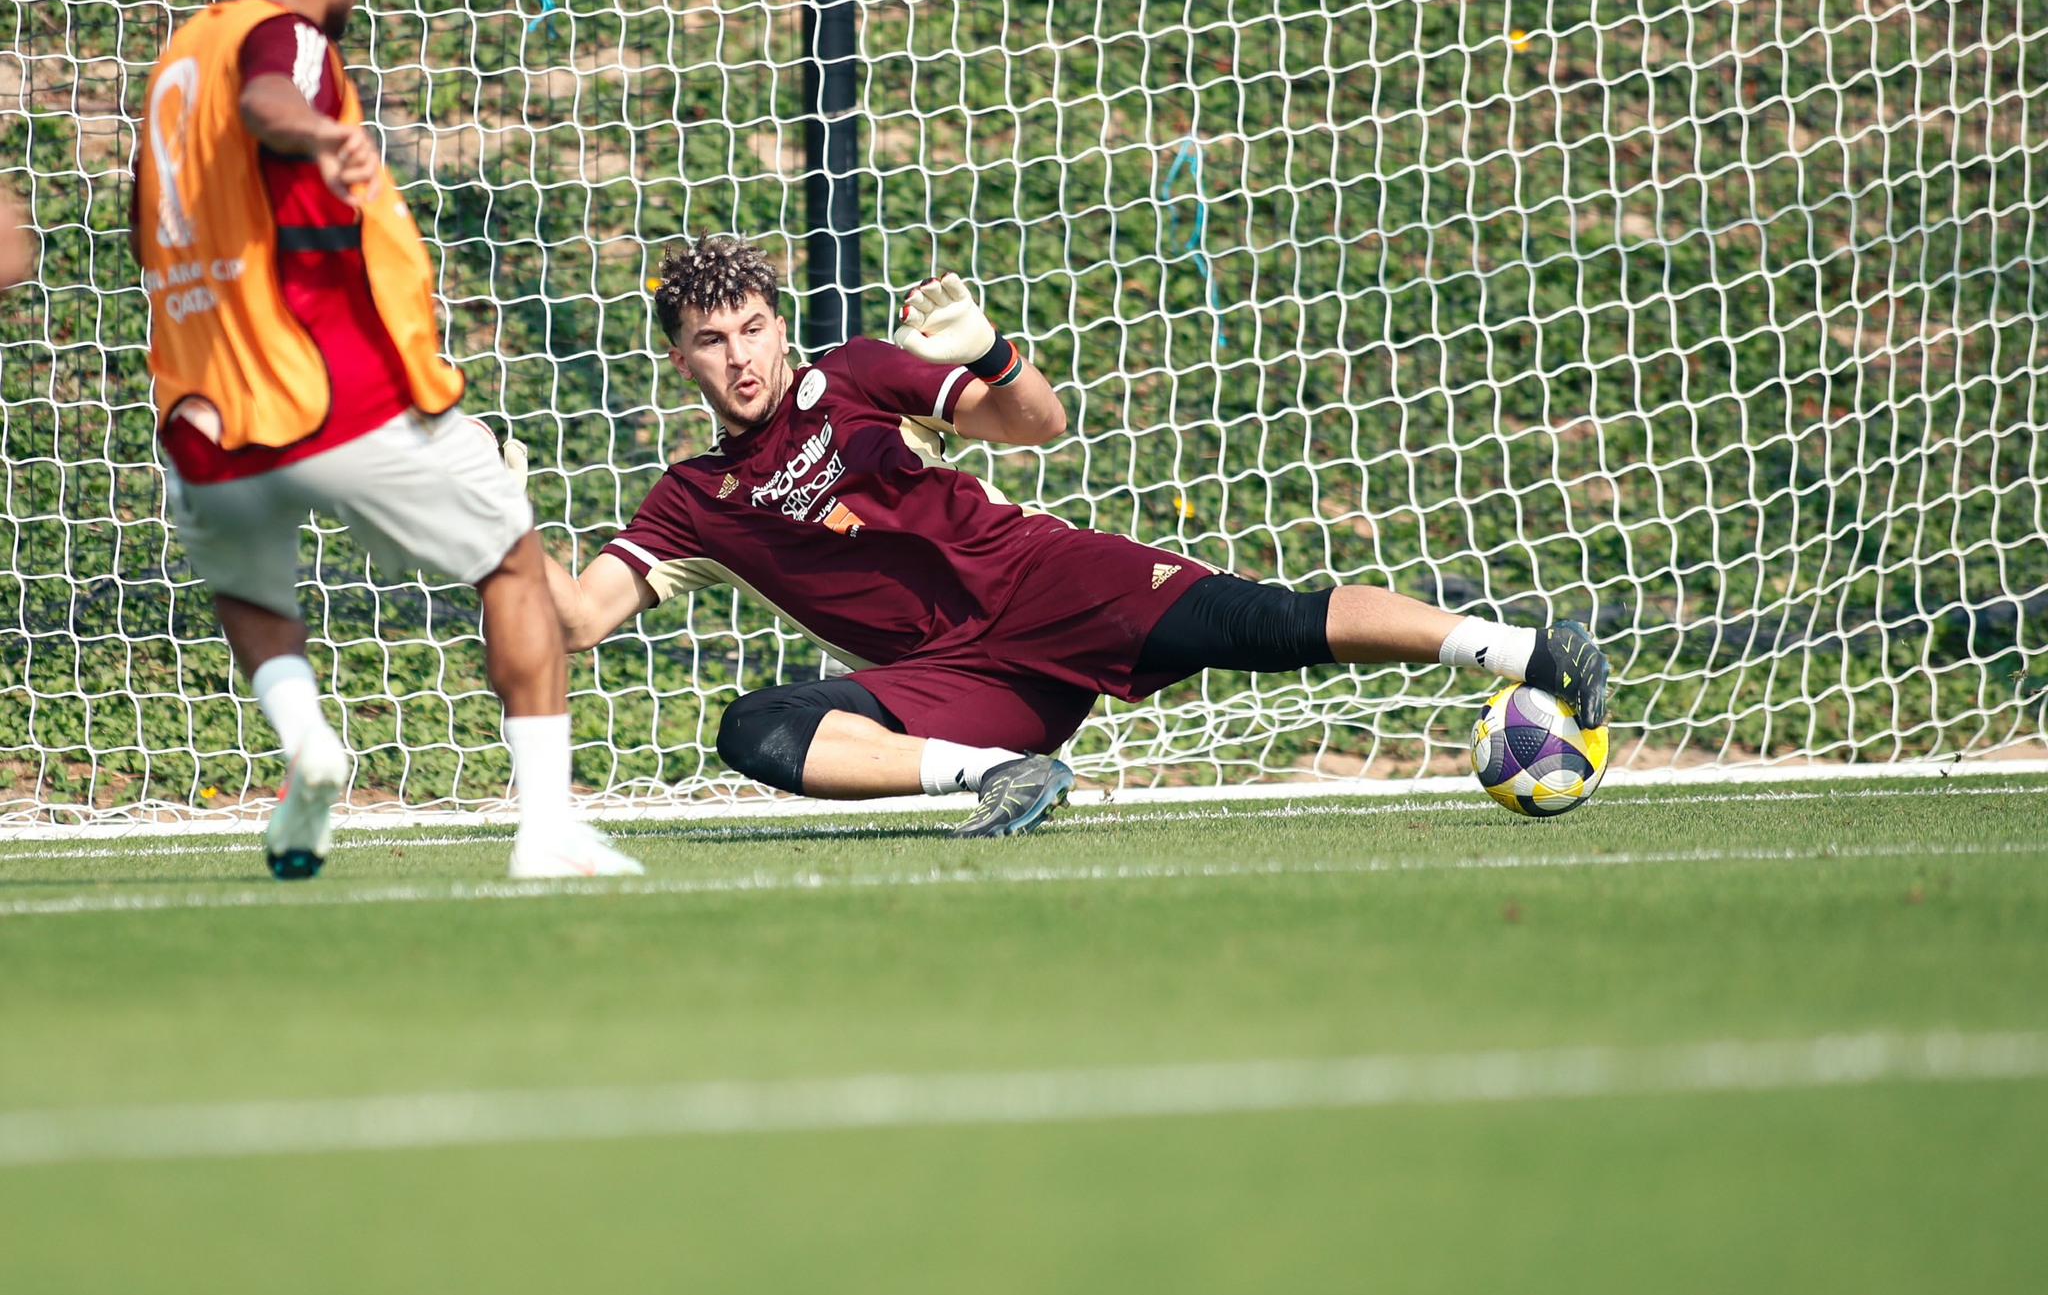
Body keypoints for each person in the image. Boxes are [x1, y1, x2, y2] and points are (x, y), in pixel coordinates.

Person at [533, 232, 1611, 837]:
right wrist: (504, 524)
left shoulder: (855, 374)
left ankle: (1523, 651)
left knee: (1265, 623)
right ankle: (995, 775)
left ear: (780, 323)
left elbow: (1035, 425)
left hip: (1040, 576)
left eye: (754, 328)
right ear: (680, 360)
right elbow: (578, 619)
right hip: (946, 680)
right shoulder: (691, 495)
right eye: (711, 341)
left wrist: (993, 353)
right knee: (754, 728)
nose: (740, 357)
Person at [132, 0, 639, 881]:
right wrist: (323, 135)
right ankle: (545, 826)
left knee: (247, 587)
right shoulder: (289, 38)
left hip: (201, 416)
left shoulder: (176, 60)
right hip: (330, 391)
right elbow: (275, 94)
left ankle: (307, 737)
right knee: (509, 558)